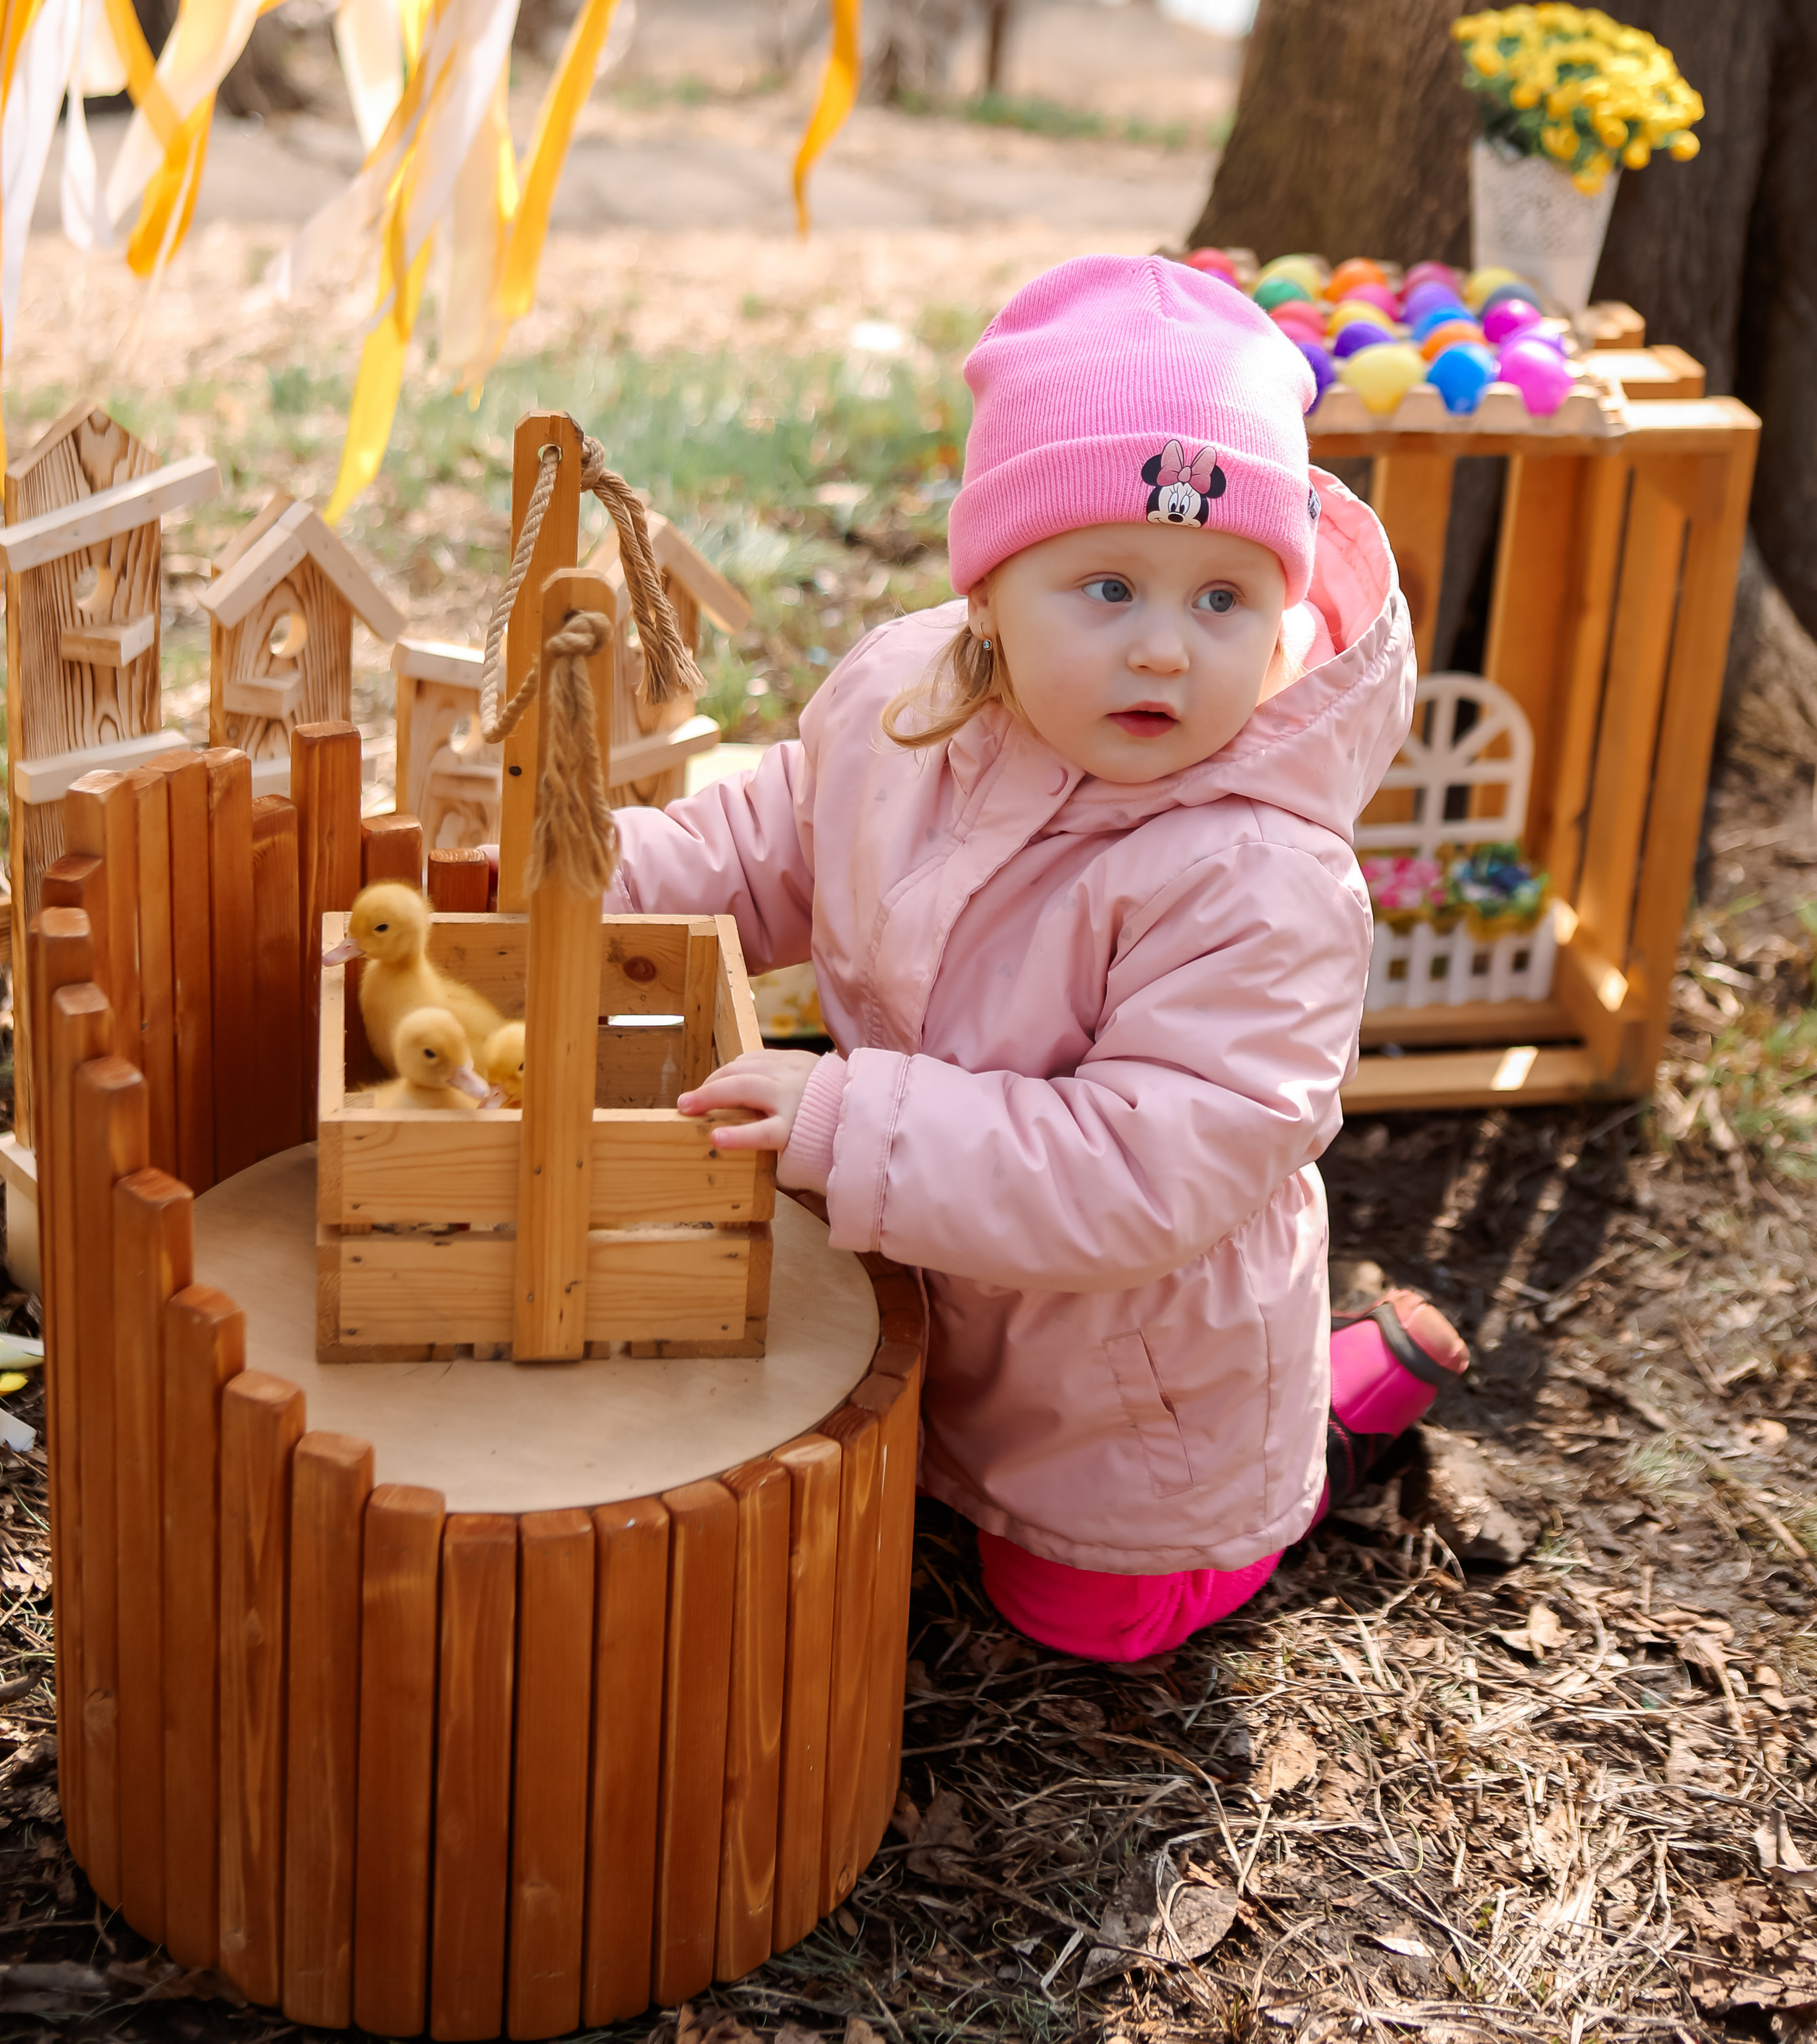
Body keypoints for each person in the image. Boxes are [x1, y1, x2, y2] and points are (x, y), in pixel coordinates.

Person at [604, 253, 1469, 1661]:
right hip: (939, 1265)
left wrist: (851, 1120)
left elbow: (1144, 1168)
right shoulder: (905, 703)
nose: (1164, 651)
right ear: (990, 591)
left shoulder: (1259, 878)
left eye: (1221, 600)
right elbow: (769, 845)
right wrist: (599, 884)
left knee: (1084, 1610)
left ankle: (1322, 1430)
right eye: (1108, 586)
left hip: (1131, 1380)